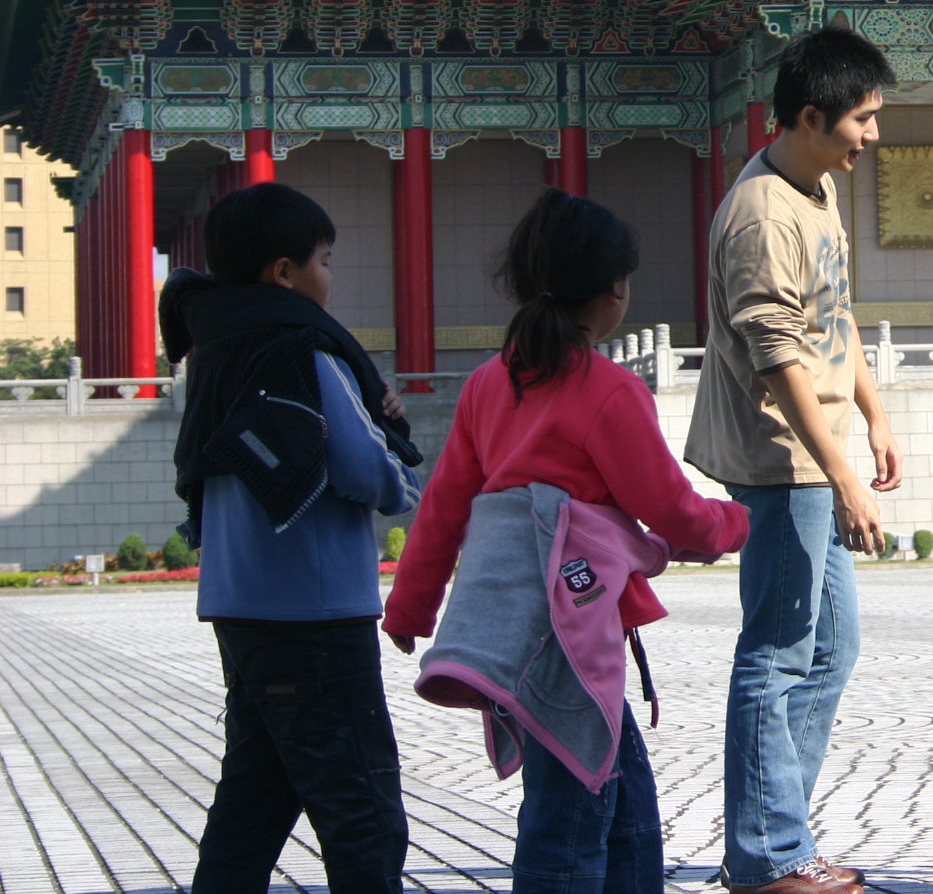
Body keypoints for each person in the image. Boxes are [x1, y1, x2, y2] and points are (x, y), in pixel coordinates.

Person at [384, 189, 750, 890]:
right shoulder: (608, 391)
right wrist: (740, 523)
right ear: (614, 290)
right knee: (570, 821)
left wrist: (410, 609)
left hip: (508, 629)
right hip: (570, 633)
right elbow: (671, 511)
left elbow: (444, 507)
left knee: (622, 801)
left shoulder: (489, 385)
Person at [687, 25, 904, 894]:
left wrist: (875, 418)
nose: (872, 135)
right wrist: (844, 476)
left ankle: (773, 836)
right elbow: (776, 353)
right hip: (781, 462)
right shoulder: (762, 214)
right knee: (777, 654)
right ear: (811, 117)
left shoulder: (816, 187)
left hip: (818, 455)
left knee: (831, 649)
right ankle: (769, 854)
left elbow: (835, 315)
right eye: (862, 119)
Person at [159, 183, 423, 894]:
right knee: (362, 811)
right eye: (324, 261)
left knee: (253, 805)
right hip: (316, 615)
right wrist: (398, 467)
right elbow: (362, 467)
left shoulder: (215, 349)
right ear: (284, 272)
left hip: (241, 609)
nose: (329, 276)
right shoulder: (304, 348)